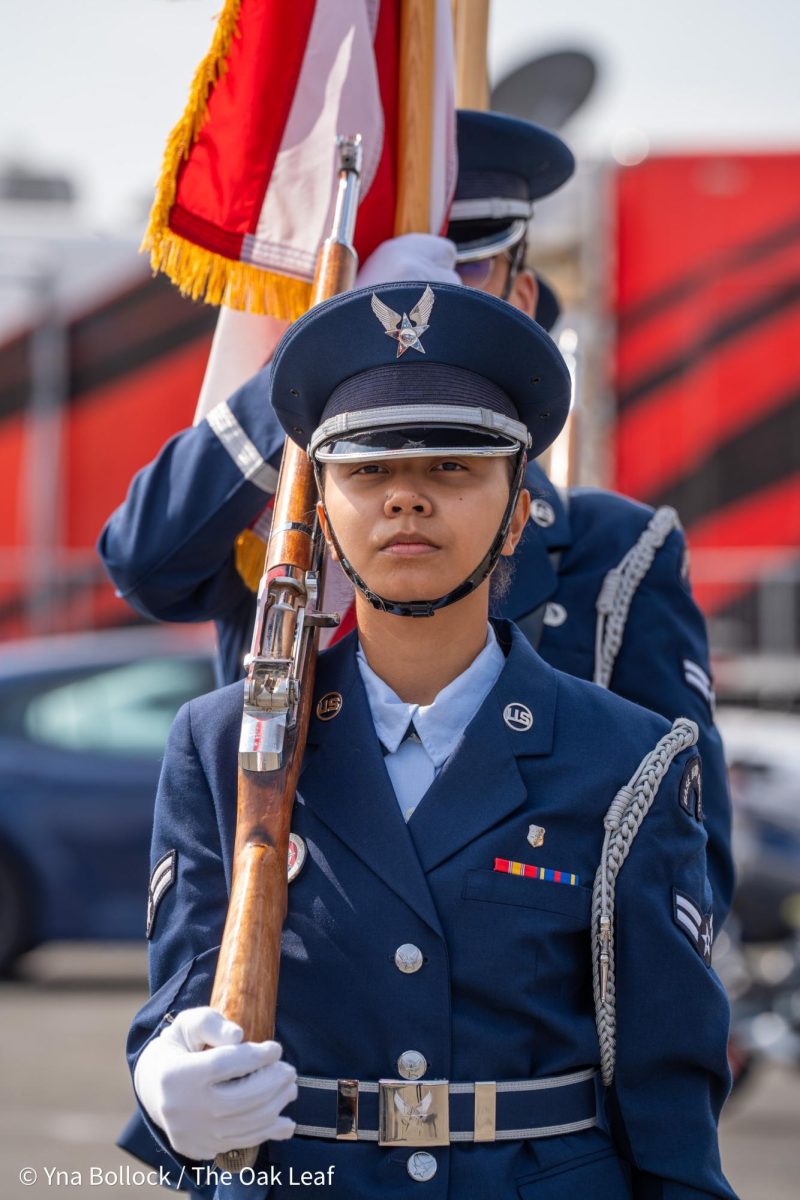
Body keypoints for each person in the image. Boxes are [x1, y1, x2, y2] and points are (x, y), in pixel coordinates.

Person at [127, 281, 735, 1200]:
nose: (405, 498)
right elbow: (180, 1000)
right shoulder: (223, 746)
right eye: (366, 472)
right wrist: (163, 1085)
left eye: (452, 468)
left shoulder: (630, 761)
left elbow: (669, 1103)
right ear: (322, 514)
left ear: (519, 511)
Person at [98, 112, 732, 930]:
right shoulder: (276, 513)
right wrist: (324, 344)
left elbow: (688, 857)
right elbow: (144, 564)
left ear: (523, 294)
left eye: (459, 266)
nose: (421, 305)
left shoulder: (616, 553)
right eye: (388, 276)